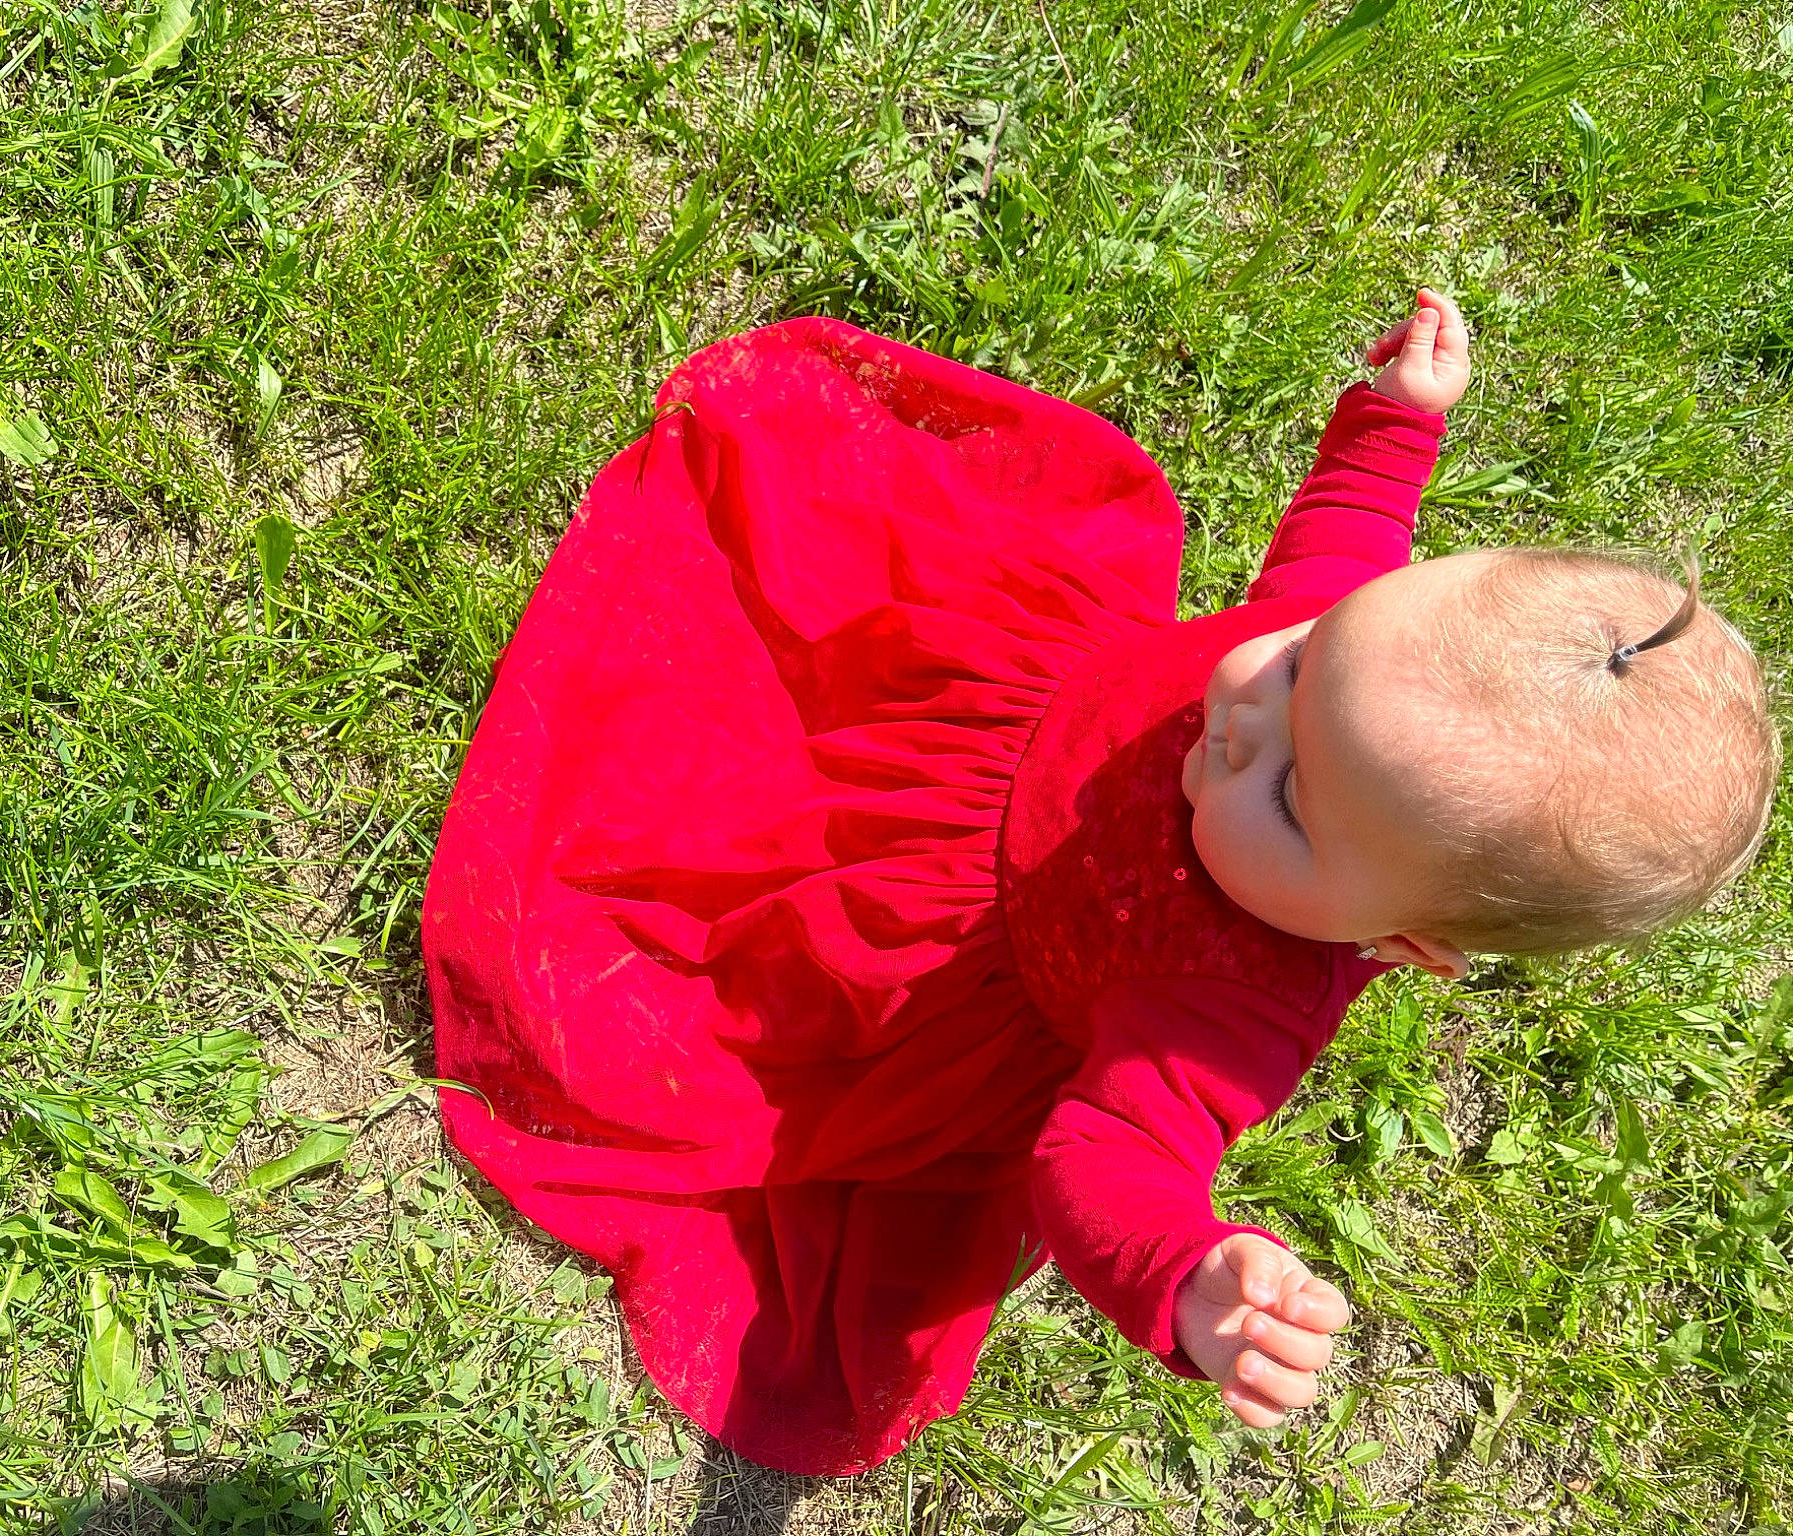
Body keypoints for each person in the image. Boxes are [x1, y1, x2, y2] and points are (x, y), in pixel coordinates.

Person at [419, 292, 1777, 1475]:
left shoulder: (1236, 1002)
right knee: (789, 548)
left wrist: (1184, 1281)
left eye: (1294, 797)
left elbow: (1110, 1159)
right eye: (1302, 662)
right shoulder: (1336, 661)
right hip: (981, 701)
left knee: (649, 957)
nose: (1240, 716)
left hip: (933, 935)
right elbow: (1346, 537)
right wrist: (1395, 422)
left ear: (1406, 945)